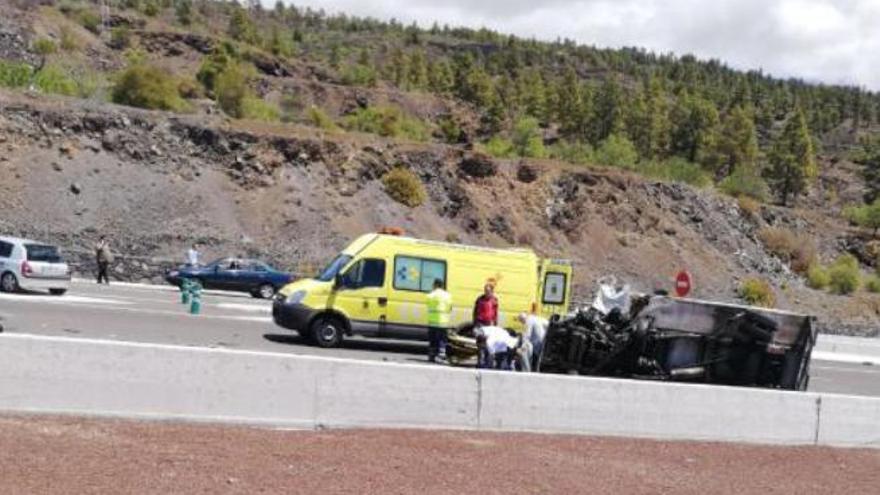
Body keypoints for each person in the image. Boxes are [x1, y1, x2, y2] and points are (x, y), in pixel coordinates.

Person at [425, 278, 452, 363]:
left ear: (435, 285)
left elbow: (428, 305)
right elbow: (450, 307)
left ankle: (431, 356)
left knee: (432, 340)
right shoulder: (448, 295)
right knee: (442, 341)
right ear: (442, 285)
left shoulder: (430, 295)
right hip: (443, 322)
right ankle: (442, 357)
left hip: (432, 322)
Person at [473, 283, 499, 368]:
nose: (486, 292)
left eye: (488, 291)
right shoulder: (480, 299)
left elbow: (495, 314)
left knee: (489, 344)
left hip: (490, 324)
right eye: (485, 290)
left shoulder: (494, 300)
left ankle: (489, 363)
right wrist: (475, 324)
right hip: (480, 323)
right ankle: (480, 363)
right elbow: (475, 312)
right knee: (481, 344)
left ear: (492, 291)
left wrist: (495, 324)